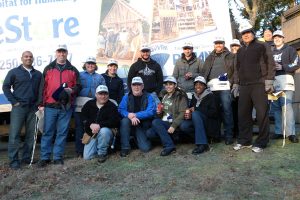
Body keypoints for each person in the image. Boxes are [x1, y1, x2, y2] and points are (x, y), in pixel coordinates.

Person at [233, 23, 275, 153]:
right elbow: (237, 68)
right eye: (243, 33)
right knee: (243, 114)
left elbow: (270, 62)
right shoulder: (239, 51)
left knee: (262, 114)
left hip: (259, 84)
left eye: (248, 32)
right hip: (244, 86)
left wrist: (269, 80)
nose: (245, 35)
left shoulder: (262, 45)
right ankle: (245, 141)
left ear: (253, 33)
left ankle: (262, 142)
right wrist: (235, 83)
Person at [38, 44, 81, 167]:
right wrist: (41, 104)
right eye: (59, 52)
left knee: (62, 132)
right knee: (47, 132)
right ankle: (45, 157)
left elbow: (78, 86)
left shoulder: (73, 70)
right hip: (50, 106)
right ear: (56, 53)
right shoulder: (48, 68)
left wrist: (72, 90)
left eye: (64, 52)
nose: (61, 54)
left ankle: (57, 157)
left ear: (67, 53)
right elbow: (42, 87)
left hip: (65, 107)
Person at [2, 51, 42, 169]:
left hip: (33, 108)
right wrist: (14, 102)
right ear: (22, 59)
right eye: (26, 56)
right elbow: (5, 87)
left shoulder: (38, 74)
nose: (28, 58)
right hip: (19, 108)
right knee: (14, 135)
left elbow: (41, 90)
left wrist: (38, 103)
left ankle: (27, 158)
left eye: (30, 57)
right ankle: (14, 161)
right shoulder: (14, 72)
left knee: (31, 135)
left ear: (33, 59)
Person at [202, 37, 235, 145]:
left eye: (220, 43)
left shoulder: (230, 56)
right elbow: (204, 72)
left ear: (224, 44)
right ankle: (215, 135)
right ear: (214, 45)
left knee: (227, 110)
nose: (218, 45)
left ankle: (229, 135)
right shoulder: (209, 57)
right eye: (216, 43)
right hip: (211, 87)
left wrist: (232, 82)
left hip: (225, 87)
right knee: (213, 112)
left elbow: (235, 70)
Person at [146, 76, 188, 156]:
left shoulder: (180, 96)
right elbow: (162, 112)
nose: (168, 86)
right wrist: (159, 112)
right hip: (164, 124)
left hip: (172, 124)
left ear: (175, 85)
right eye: (166, 84)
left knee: (155, 122)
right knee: (149, 133)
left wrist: (174, 125)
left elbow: (182, 113)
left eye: (171, 84)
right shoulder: (164, 96)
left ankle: (169, 146)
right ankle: (171, 139)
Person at [74, 56, 106, 158]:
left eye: (92, 63)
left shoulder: (100, 77)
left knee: (91, 125)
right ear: (85, 65)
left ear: (95, 65)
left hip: (93, 104)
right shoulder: (79, 75)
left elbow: (104, 90)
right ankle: (79, 150)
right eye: (88, 63)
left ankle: (90, 148)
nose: (90, 65)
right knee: (79, 127)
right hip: (80, 102)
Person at [270, 30, 299, 143]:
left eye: (279, 37)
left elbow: (297, 63)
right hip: (273, 80)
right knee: (276, 107)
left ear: (283, 38)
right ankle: (279, 132)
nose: (277, 39)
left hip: (286, 78)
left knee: (287, 106)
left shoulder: (290, 49)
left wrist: (282, 66)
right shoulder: (270, 52)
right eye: (275, 37)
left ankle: (291, 133)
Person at [180, 76, 220, 154]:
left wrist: (196, 109)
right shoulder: (194, 97)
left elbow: (214, 113)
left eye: (200, 84)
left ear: (205, 86)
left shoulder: (211, 96)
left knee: (195, 113)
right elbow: (193, 110)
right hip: (199, 123)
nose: (198, 86)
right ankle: (203, 138)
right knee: (184, 125)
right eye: (196, 84)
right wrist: (189, 114)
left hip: (210, 124)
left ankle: (202, 144)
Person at [81, 85, 120, 163]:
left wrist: (99, 125)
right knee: (87, 157)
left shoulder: (112, 106)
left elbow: (115, 121)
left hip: (107, 131)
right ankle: (105, 148)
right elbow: (83, 116)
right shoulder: (89, 104)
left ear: (108, 95)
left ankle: (102, 153)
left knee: (104, 131)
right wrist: (90, 124)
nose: (103, 96)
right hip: (92, 133)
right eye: (100, 94)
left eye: (105, 94)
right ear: (96, 95)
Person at [118, 77, 155, 157]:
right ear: (131, 86)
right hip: (129, 123)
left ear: (143, 86)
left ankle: (135, 138)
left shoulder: (149, 96)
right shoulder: (126, 97)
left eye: (139, 85)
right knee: (124, 120)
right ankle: (125, 148)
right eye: (134, 85)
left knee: (146, 148)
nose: (136, 87)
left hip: (141, 125)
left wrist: (135, 115)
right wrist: (128, 115)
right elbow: (121, 109)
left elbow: (151, 112)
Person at [230, 39, 241, 138]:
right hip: (229, 87)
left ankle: (240, 131)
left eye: (236, 46)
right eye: (232, 46)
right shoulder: (228, 58)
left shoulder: (242, 56)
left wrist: (237, 83)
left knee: (240, 110)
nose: (234, 48)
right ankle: (234, 131)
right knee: (232, 110)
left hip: (240, 86)